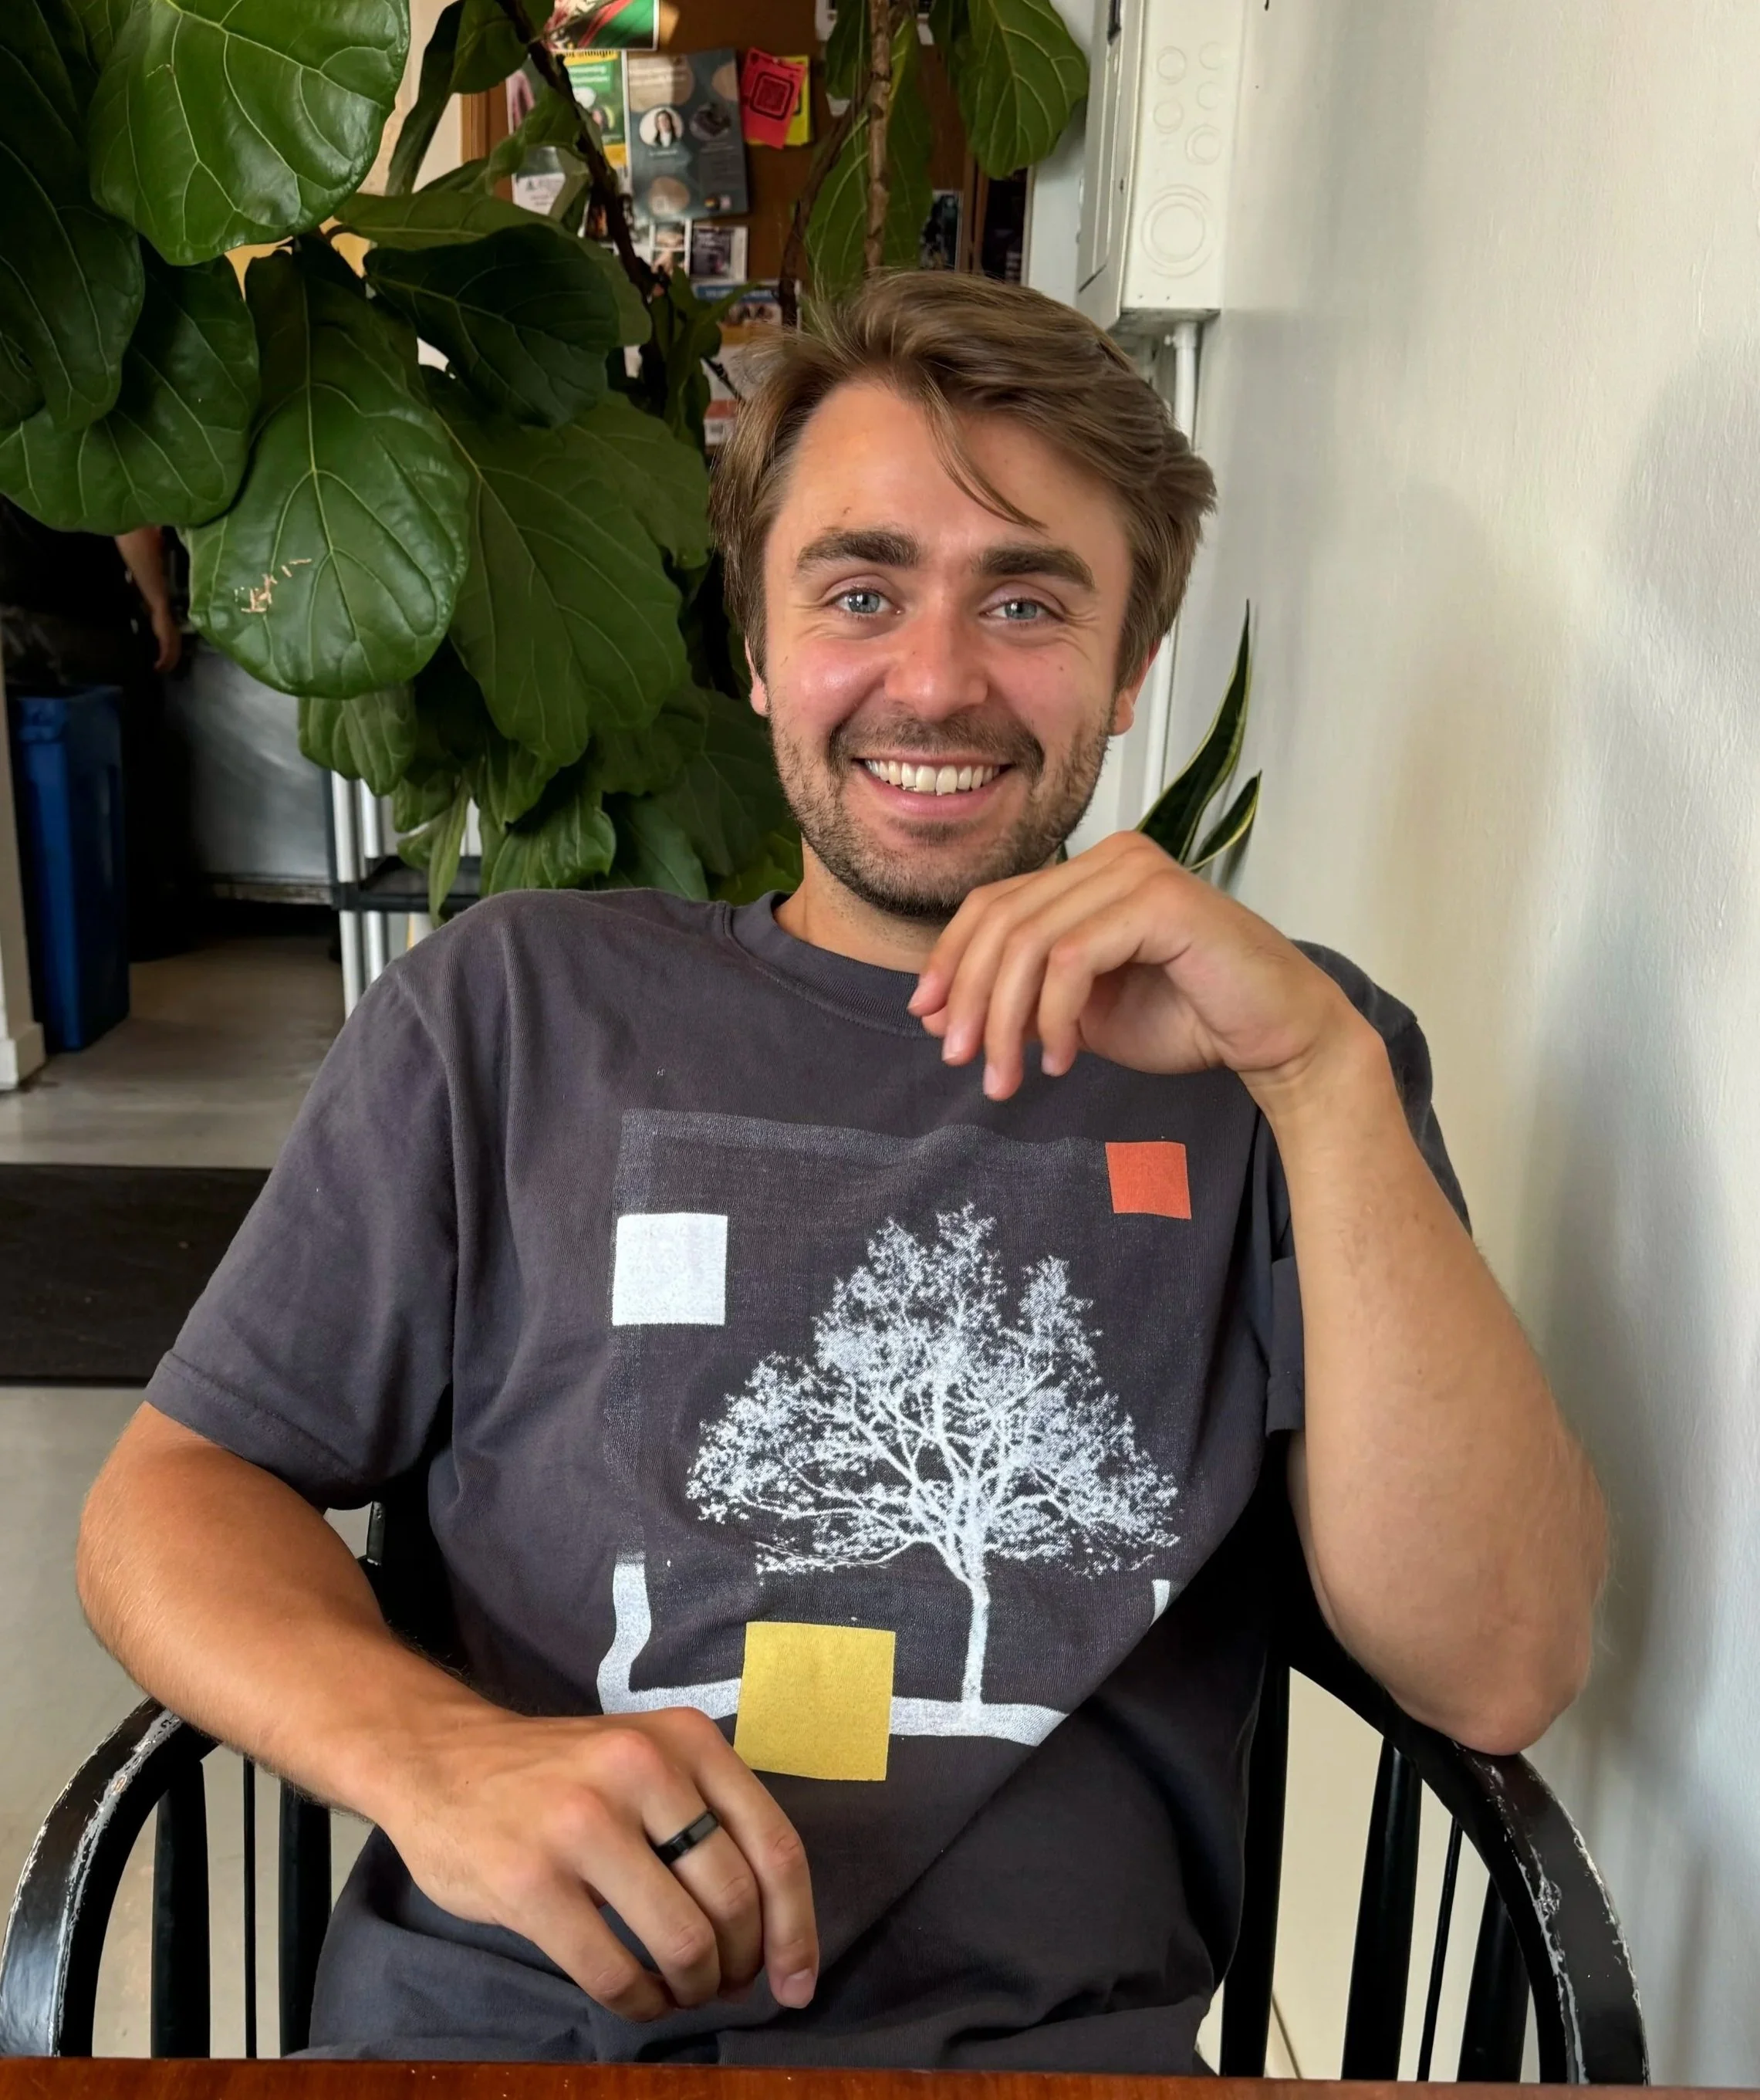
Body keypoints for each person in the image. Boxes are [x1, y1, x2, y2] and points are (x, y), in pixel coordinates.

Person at [76, 273, 1606, 2069]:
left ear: (1128, 670)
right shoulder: (510, 1009)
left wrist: (1320, 1077)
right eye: (861, 591)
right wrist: (437, 1758)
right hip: (513, 2041)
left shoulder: (1284, 1061)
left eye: (1024, 600)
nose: (935, 680)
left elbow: (1494, 1662)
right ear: (758, 643)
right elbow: (171, 1495)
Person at [0, 502, 188, 957]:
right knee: (125, 770)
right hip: (85, 622)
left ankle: (43, 934)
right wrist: (159, 607)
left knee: (27, 782)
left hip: (9, 629)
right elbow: (129, 525)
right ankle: (136, 930)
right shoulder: (90, 453)